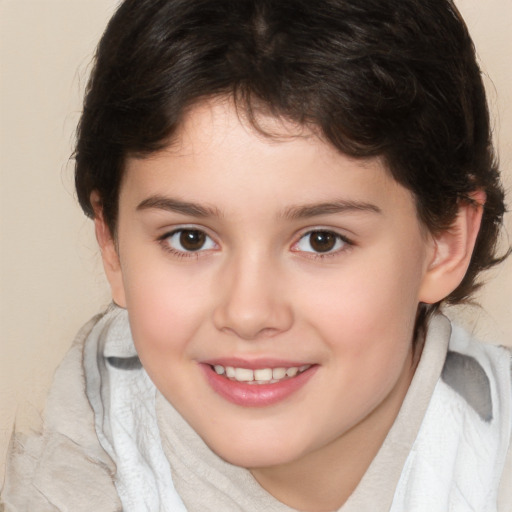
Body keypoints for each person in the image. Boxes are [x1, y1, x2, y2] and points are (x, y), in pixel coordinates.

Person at [2, 0, 511, 510]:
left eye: (321, 241)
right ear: (112, 245)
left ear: (444, 241)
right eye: (190, 239)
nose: (247, 313)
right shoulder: (67, 478)